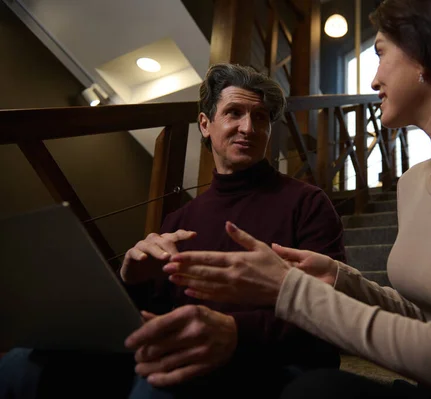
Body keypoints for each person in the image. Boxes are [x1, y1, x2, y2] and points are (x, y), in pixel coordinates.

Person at [159, 1, 431, 398]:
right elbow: (427, 316)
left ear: (427, 54)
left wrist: (287, 289)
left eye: (381, 53)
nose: (373, 78)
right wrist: (342, 279)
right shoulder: (412, 182)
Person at [0, 63, 345, 399]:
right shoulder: (178, 219)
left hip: (270, 359)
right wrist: (132, 281)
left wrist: (234, 332)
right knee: (21, 364)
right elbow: (156, 313)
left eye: (261, 118)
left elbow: (331, 312)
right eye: (234, 113)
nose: (248, 128)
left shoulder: (307, 203)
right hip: (183, 349)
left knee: (160, 382)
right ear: (205, 125)